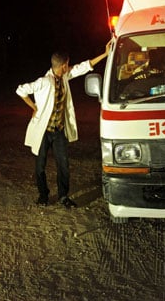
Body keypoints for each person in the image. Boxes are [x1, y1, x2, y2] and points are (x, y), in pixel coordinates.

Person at [16, 40, 112, 208]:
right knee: (40, 166)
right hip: (44, 131)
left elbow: (83, 67)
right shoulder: (43, 82)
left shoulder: (65, 76)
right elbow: (21, 90)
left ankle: (63, 196)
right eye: (67, 64)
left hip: (58, 130)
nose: (69, 67)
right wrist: (34, 107)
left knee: (64, 165)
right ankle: (43, 196)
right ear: (62, 66)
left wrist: (105, 54)